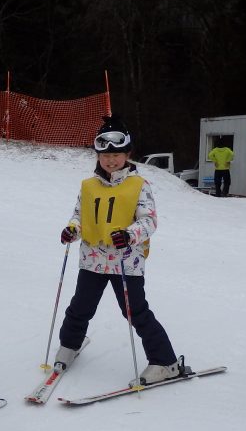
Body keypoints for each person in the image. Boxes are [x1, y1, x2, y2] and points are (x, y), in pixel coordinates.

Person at [52, 116, 182, 386]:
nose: (111, 160)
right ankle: (69, 345)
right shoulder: (88, 186)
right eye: (105, 155)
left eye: (117, 154)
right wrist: (72, 230)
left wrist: (129, 234)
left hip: (126, 263)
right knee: (80, 307)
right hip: (92, 260)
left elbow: (149, 221)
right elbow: (79, 215)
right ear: (98, 156)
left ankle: (165, 361)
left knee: (135, 312)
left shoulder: (138, 186)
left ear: (127, 155)